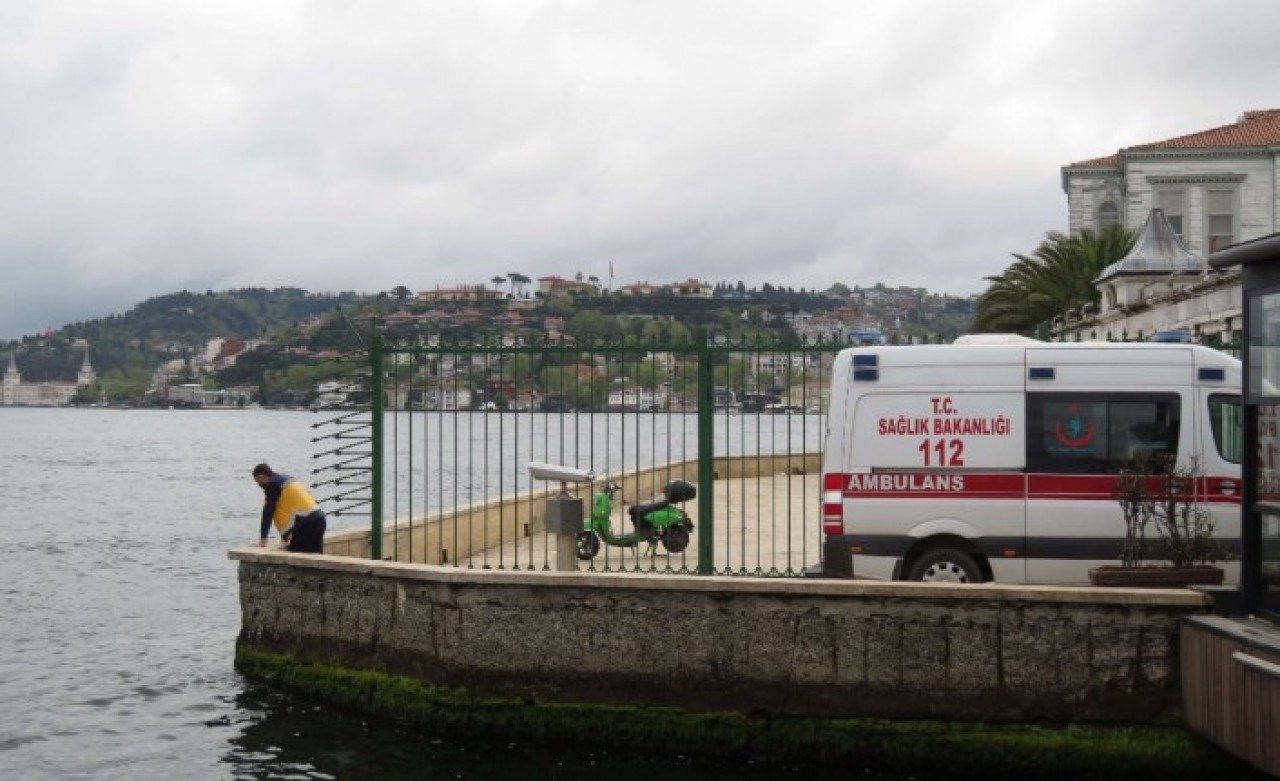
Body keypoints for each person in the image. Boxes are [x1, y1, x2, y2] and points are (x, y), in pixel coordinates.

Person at [252, 463, 326, 553]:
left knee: (297, 557)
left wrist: (263, 539)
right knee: (316, 557)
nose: (259, 485)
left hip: (306, 526)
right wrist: (286, 536)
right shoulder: (287, 479)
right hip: (320, 520)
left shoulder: (272, 485)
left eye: (258, 481)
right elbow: (290, 508)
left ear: (262, 477)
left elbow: (268, 512)